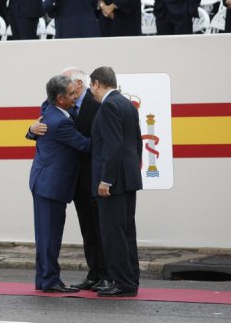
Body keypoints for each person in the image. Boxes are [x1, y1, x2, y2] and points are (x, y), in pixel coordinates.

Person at [26, 68, 107, 291]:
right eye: (72, 94)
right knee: (49, 237)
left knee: (46, 235)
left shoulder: (49, 108)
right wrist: (111, 136)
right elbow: (86, 145)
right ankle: (50, 281)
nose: (76, 96)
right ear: (60, 99)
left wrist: (31, 130)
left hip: (45, 183)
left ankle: (44, 280)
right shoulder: (60, 123)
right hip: (50, 186)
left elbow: (44, 107)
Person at [89, 66, 142, 297]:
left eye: (91, 86)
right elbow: (136, 143)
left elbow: (113, 146)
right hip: (128, 179)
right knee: (126, 232)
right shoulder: (127, 104)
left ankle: (121, 282)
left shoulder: (109, 105)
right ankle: (130, 280)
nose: (91, 91)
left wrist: (106, 180)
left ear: (98, 83)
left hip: (114, 183)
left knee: (113, 233)